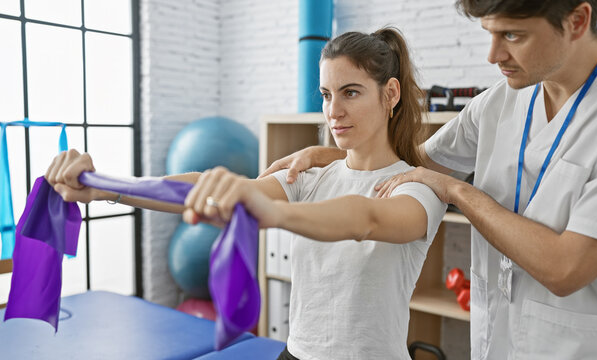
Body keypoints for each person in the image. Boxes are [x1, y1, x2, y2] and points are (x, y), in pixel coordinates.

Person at [260, 1, 597, 359]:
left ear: (577, 21)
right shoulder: (497, 103)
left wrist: (459, 190)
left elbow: (565, 268)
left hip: (581, 346)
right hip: (498, 340)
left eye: (512, 35)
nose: (492, 55)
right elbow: (409, 163)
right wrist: (332, 159)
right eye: (490, 33)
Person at [46, 28, 447, 360]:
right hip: (296, 355)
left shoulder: (417, 188)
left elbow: (366, 219)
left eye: (351, 92)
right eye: (326, 94)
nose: (333, 111)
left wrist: (275, 215)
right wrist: (108, 188)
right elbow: (208, 188)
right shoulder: (309, 176)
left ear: (390, 94)